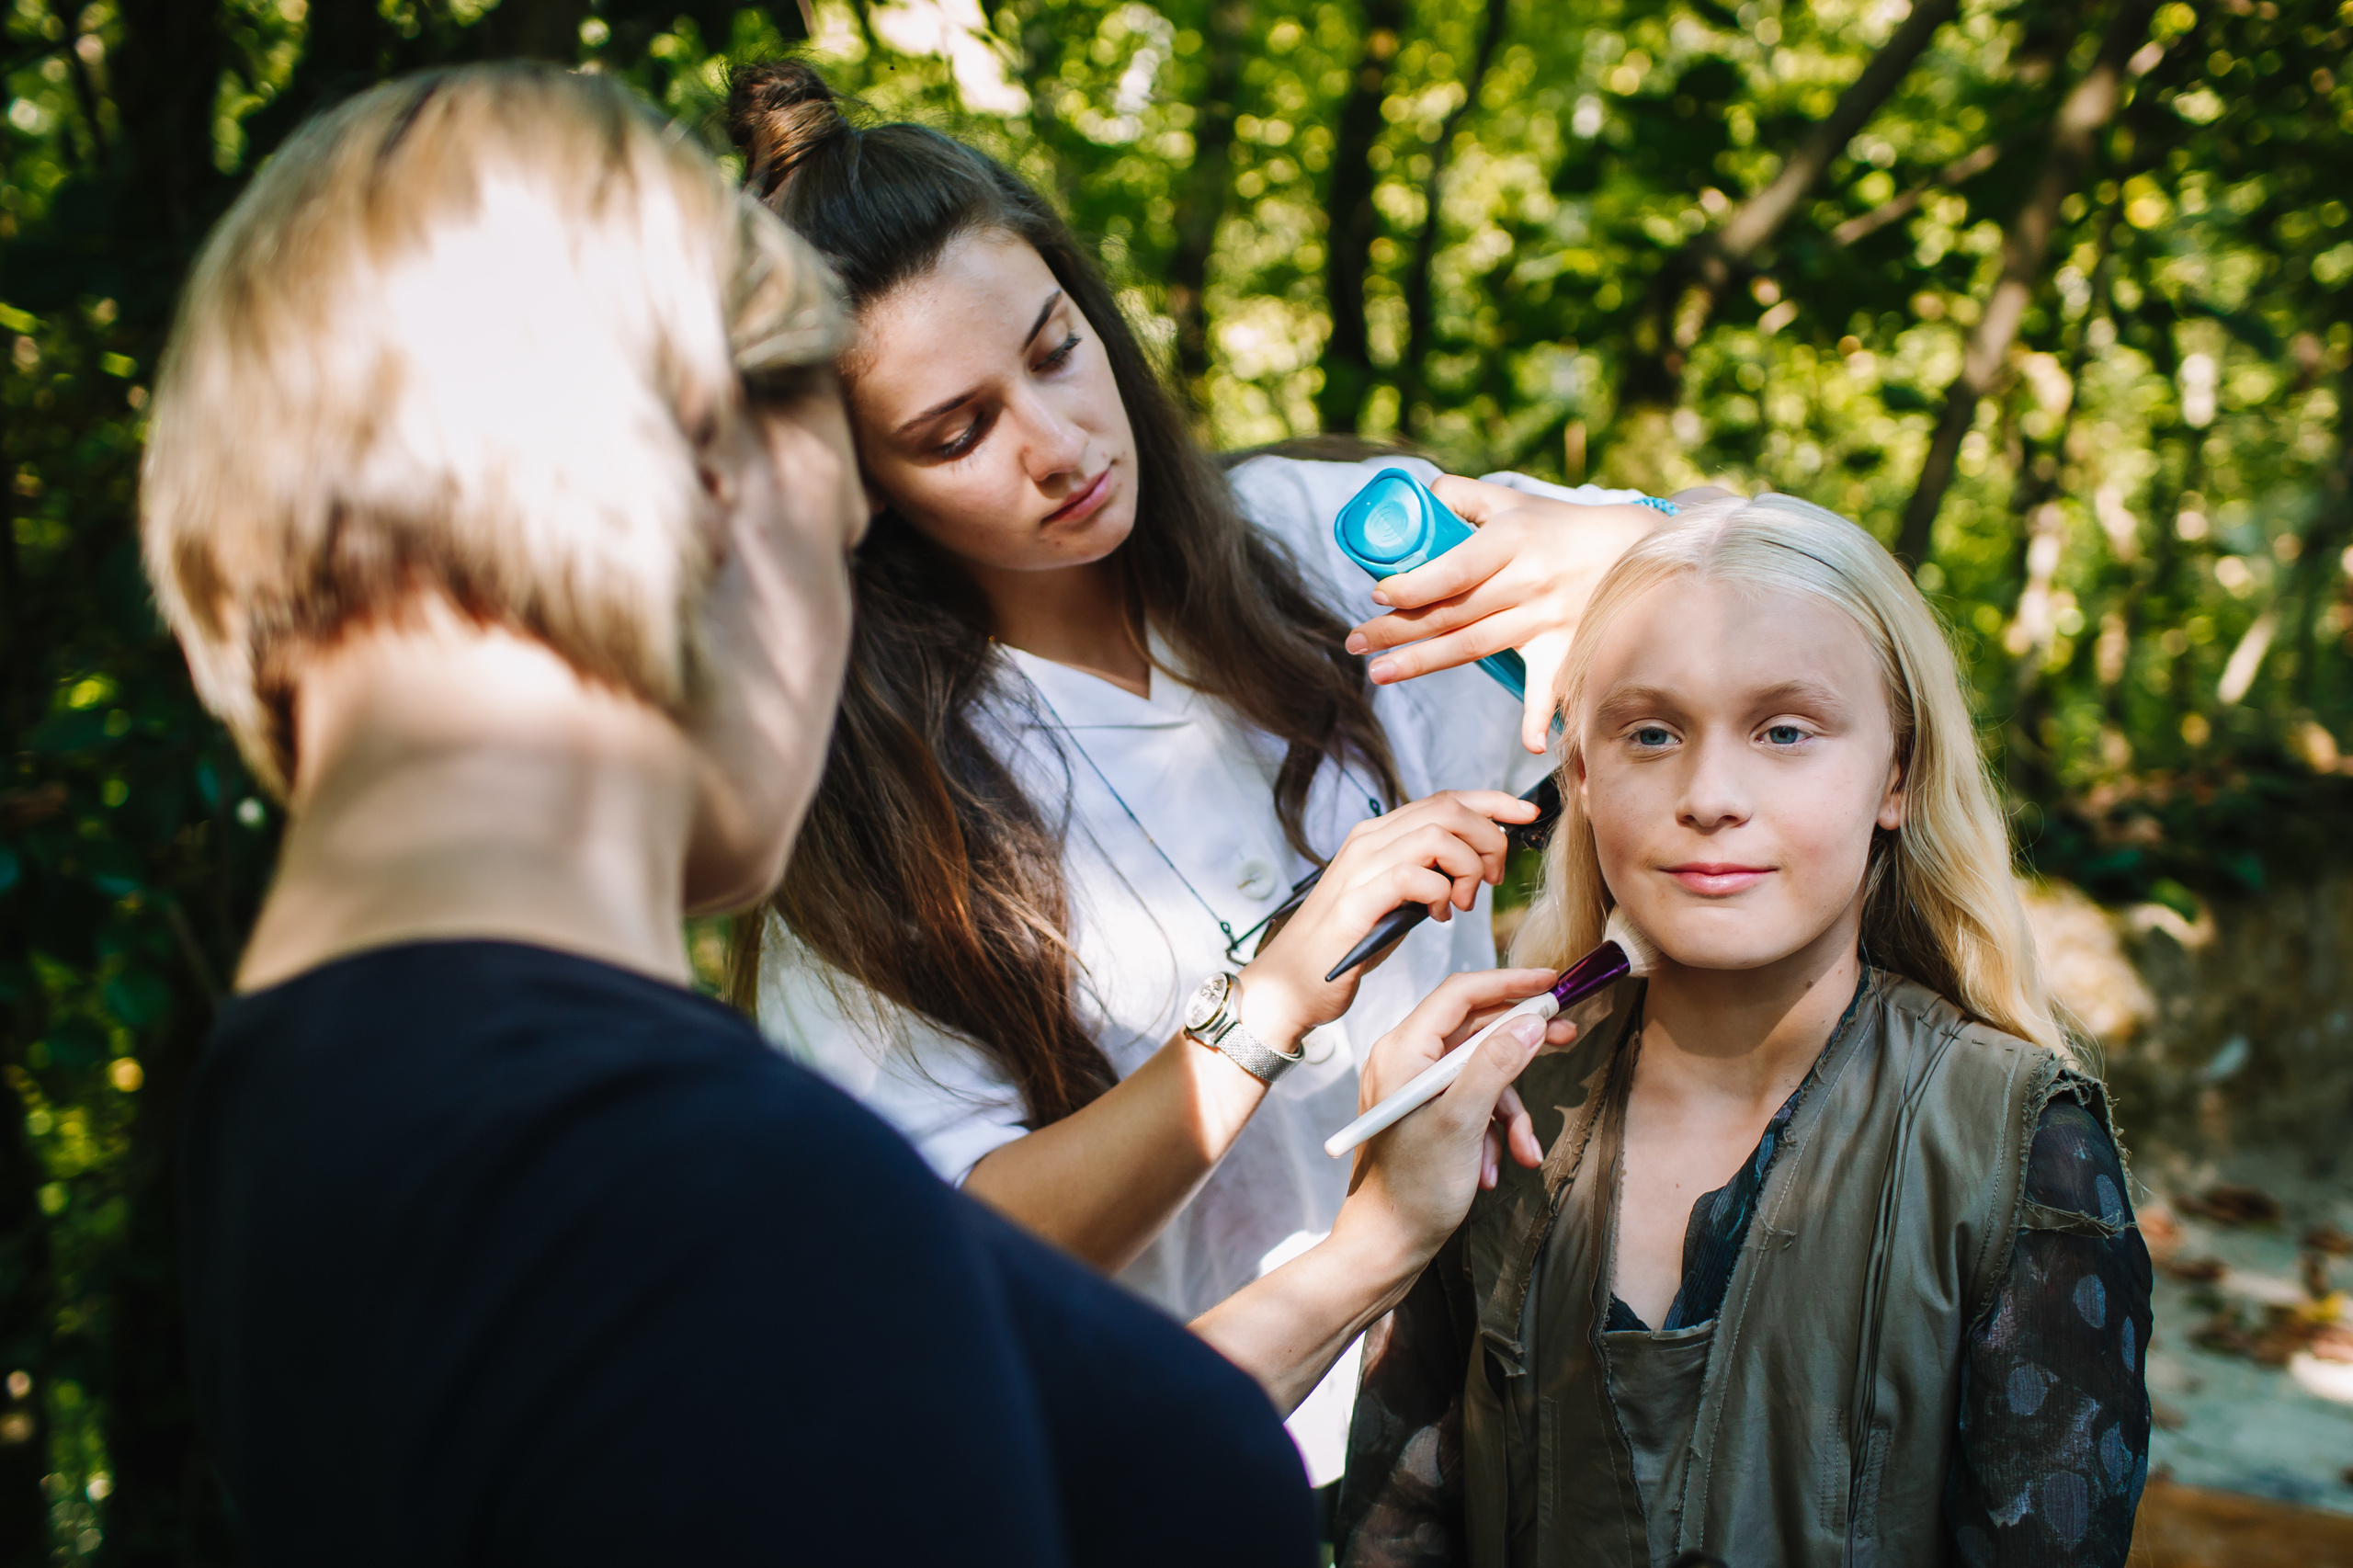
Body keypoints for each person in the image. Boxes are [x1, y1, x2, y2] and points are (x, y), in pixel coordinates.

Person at [145, 62, 1553, 1566]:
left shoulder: (292, 1127)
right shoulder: (706, 1182)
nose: (836, 646)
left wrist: (1367, 1250)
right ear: (678, 503)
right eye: (839, 540)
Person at [722, 61, 1686, 1480]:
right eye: (957, 432)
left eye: (1056, 351)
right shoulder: (865, 816)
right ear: (853, 491)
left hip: (1521, 1399)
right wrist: (1267, 1004)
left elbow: (1769, 622)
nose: (1057, 445)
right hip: (1200, 1468)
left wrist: (1643, 545)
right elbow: (944, 1256)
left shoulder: (1320, 542)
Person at [1335, 494, 2154, 1566]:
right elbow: (1394, 1530)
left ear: (1897, 774)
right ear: (1580, 775)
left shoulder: (2017, 1146)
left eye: (1784, 731)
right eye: (1651, 732)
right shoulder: (1486, 1112)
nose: (1710, 796)